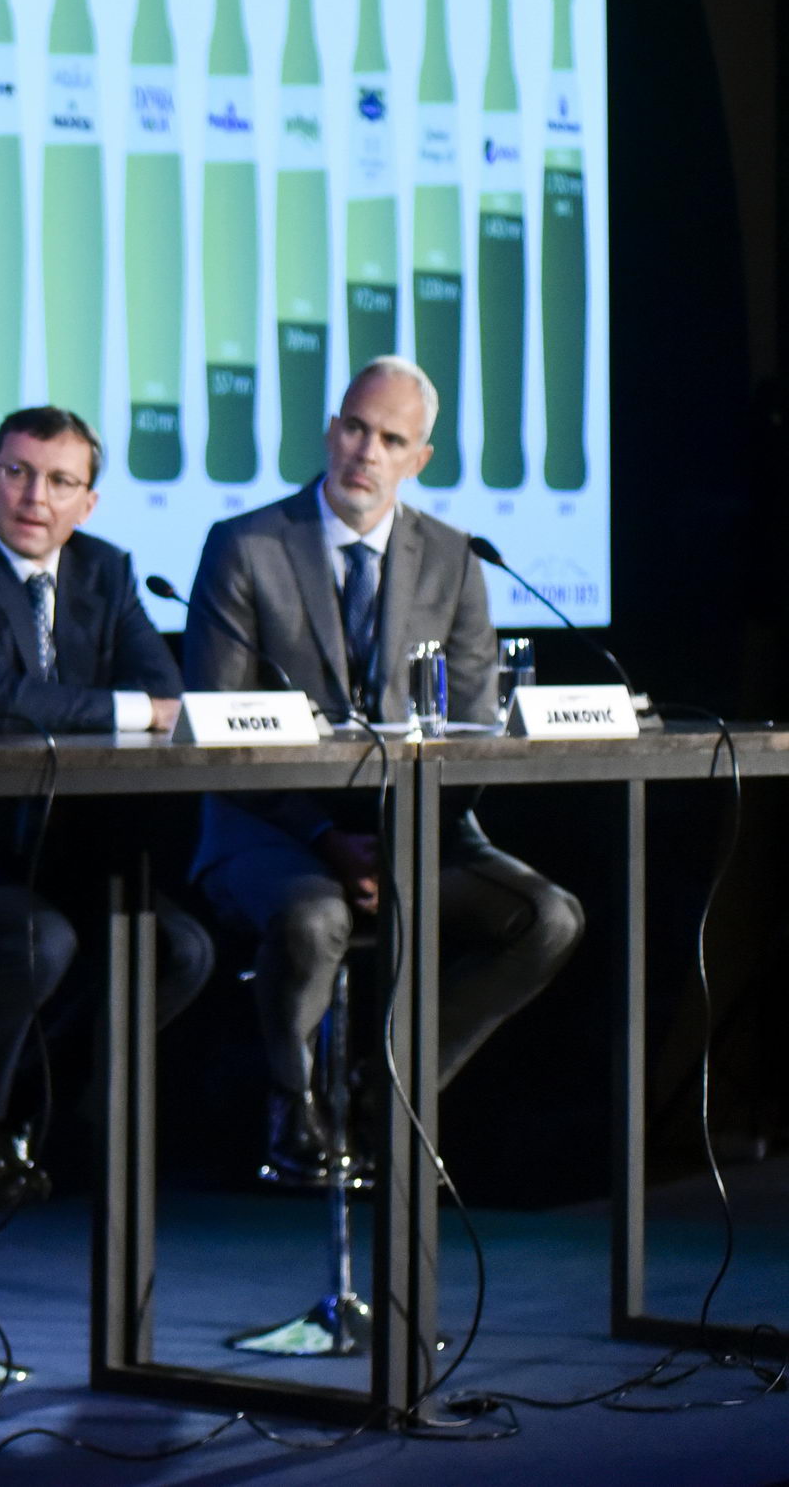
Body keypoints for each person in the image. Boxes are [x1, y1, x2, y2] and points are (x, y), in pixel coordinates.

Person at [184, 355, 584, 1183]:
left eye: (391, 439)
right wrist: (326, 837)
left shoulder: (454, 556)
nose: (367, 451)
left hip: (417, 826)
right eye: (356, 428)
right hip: (271, 822)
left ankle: (388, 1088)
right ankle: (293, 1108)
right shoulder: (246, 545)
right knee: (315, 916)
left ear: (419, 458)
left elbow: (471, 727)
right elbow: (216, 733)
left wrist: (399, 844)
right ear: (331, 430)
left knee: (549, 916)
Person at [0, 404, 214, 1079]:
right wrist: (131, 710)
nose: (35, 496)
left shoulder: (106, 570)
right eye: (18, 472)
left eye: (60, 481)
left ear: (87, 503)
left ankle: (48, 1103)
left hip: (65, 838)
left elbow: (163, 686)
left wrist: (142, 706)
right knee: (42, 942)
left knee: (180, 949)